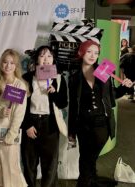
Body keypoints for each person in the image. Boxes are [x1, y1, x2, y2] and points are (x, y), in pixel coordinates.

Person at [68, 40, 133, 187]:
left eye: (96, 52)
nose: (93, 55)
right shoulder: (74, 76)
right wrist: (71, 129)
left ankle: (85, 182)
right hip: (82, 124)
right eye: (89, 51)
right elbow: (73, 105)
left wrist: (124, 88)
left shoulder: (103, 70)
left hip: (101, 122)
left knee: (88, 157)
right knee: (85, 156)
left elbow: (112, 95)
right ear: (82, 52)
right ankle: (91, 180)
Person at [21, 45, 68, 187]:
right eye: (42, 56)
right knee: (29, 163)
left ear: (53, 60)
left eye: (49, 56)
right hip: (31, 124)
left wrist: (53, 93)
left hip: (50, 125)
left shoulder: (59, 79)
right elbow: (19, 106)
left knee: (50, 165)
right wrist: (27, 125)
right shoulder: (26, 78)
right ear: (36, 60)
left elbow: (63, 103)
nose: (46, 59)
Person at [0, 49, 28, 187]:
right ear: (1, 63)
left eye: (12, 63)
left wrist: (11, 135)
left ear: (16, 65)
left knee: (12, 168)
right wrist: (0, 111)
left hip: (10, 133)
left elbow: (19, 114)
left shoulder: (20, 85)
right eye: (5, 62)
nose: (8, 66)